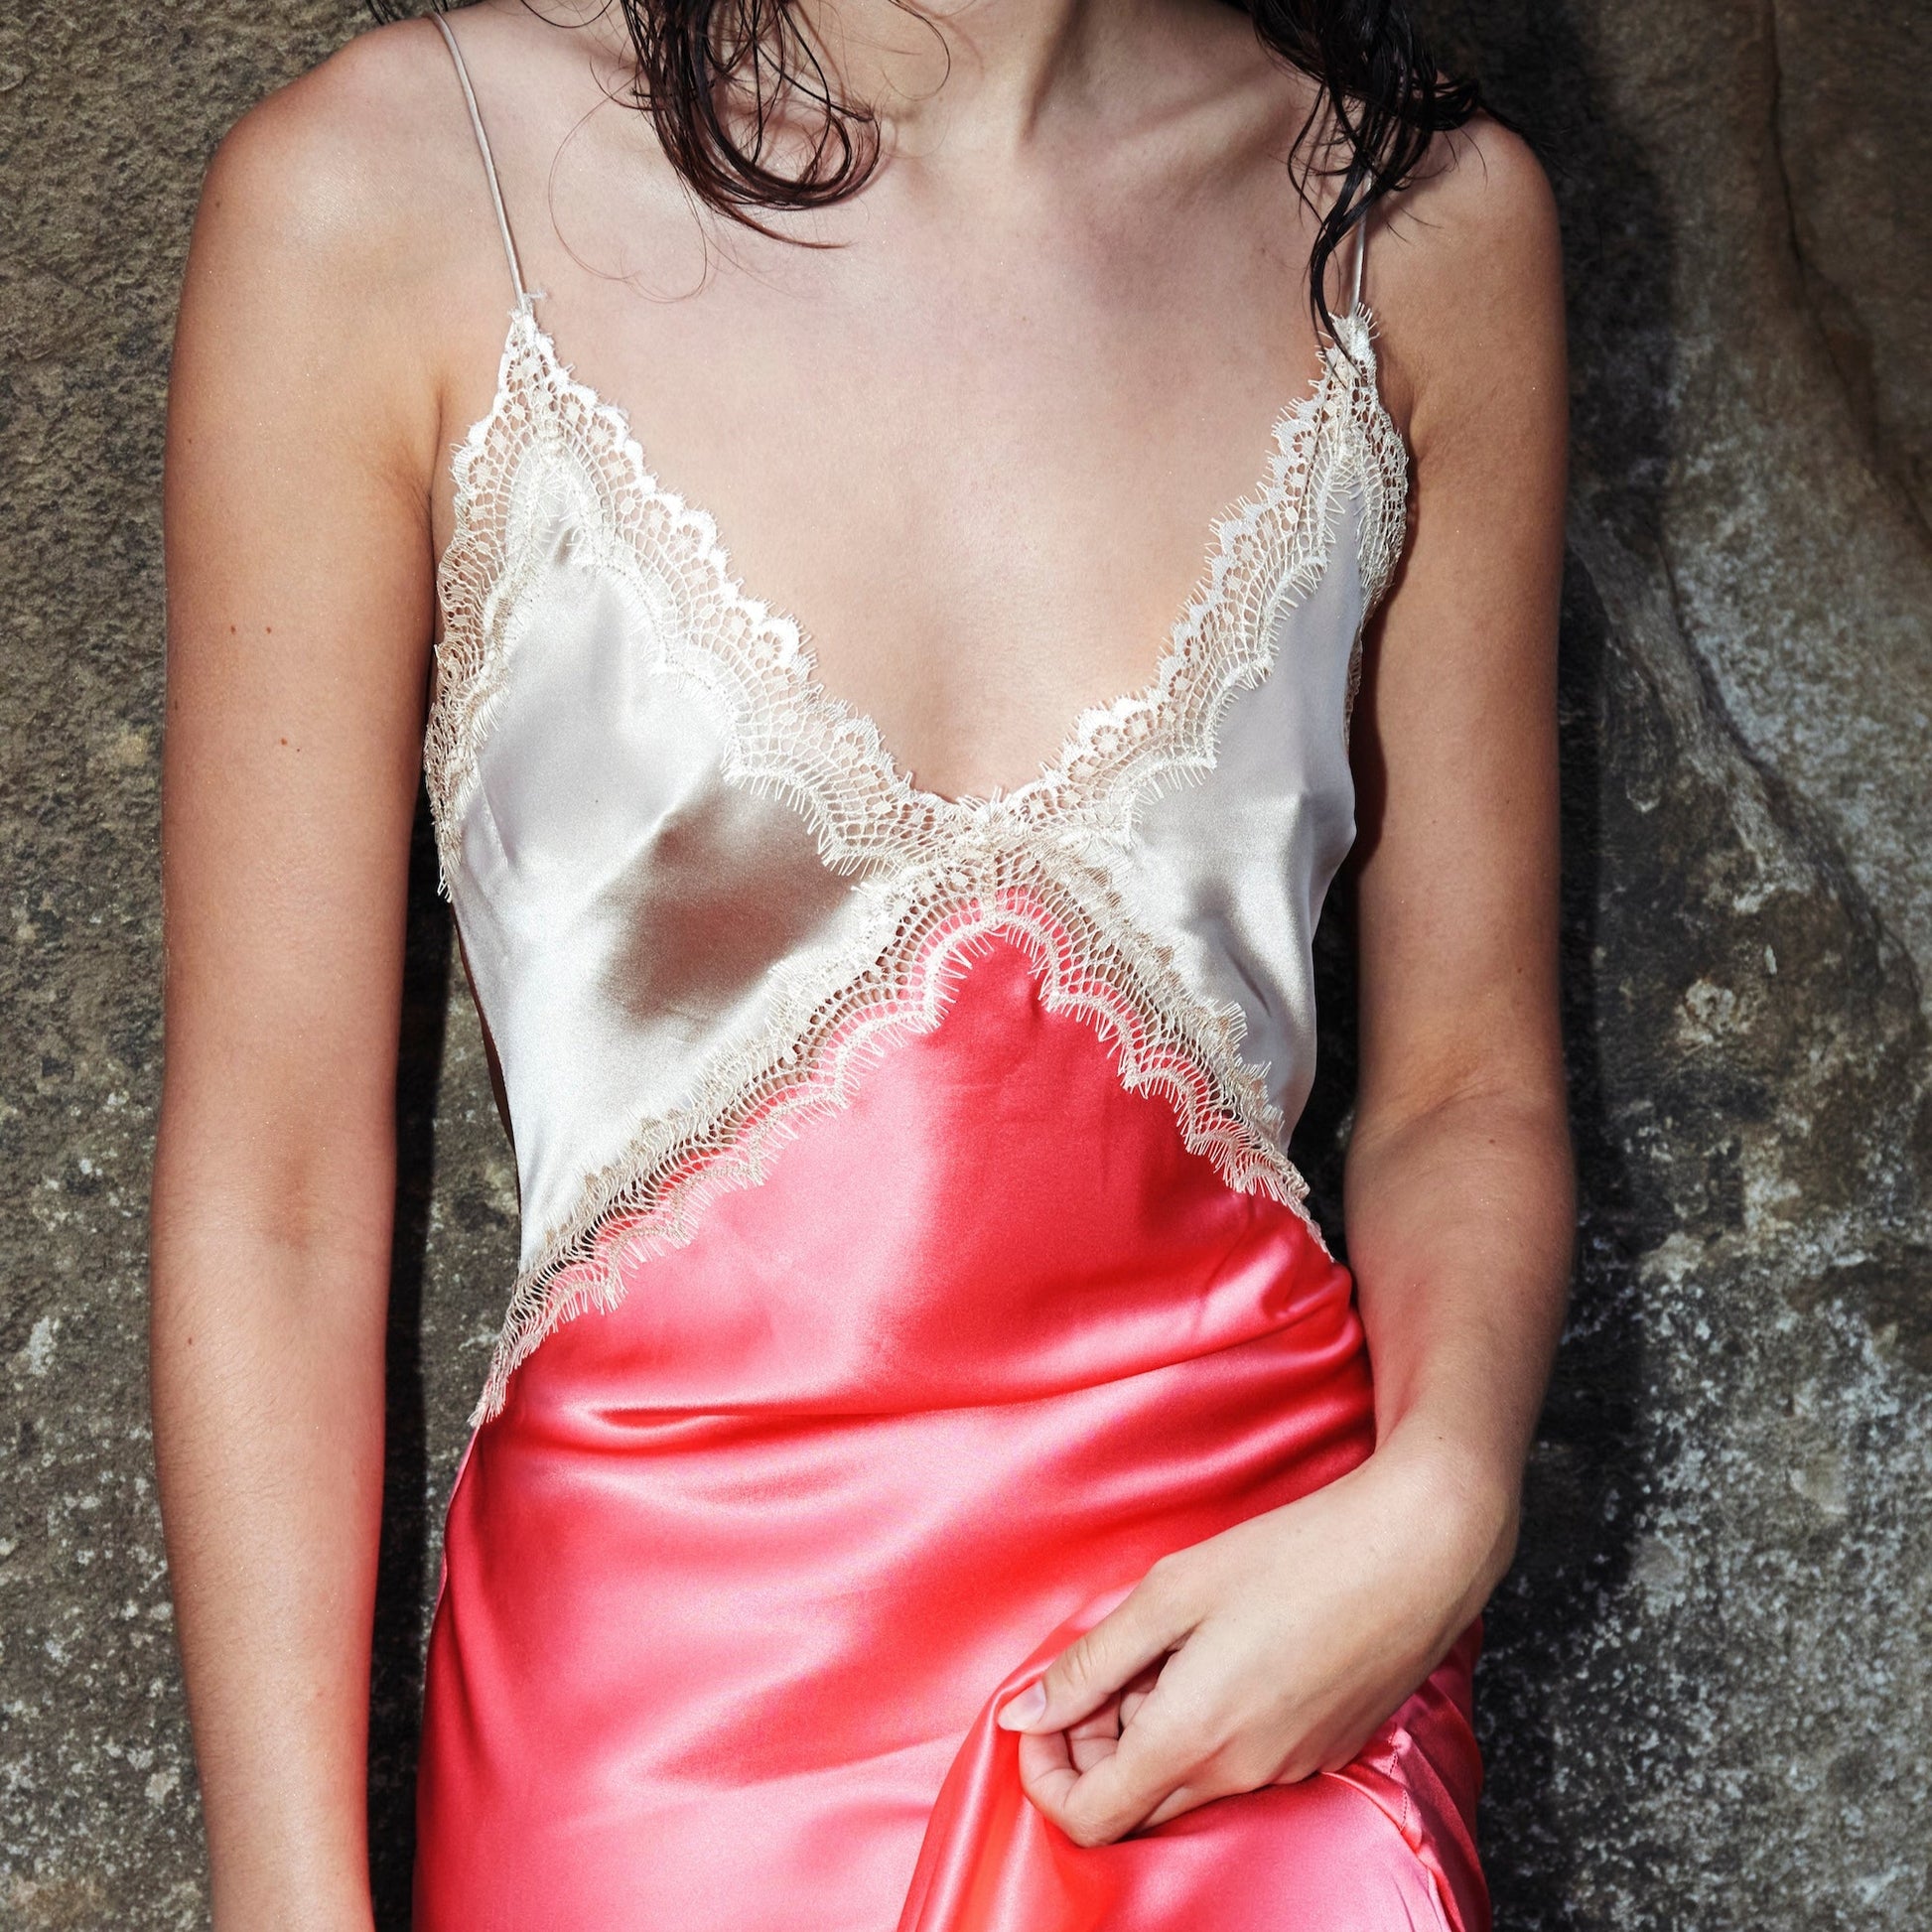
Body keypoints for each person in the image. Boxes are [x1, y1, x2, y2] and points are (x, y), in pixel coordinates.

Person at [151, 2, 1572, 1927]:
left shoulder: (1415, 220)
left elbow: (1463, 1084)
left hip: (1249, 1665)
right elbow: (280, 1187)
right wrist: (285, 1902)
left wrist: (1441, 1502)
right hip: (654, 1717)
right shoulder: (390, 190)